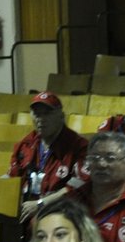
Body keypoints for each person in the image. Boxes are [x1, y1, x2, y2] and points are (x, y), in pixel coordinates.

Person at [8, 92, 89, 221]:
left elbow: (78, 188)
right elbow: (12, 179)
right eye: (37, 114)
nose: (41, 119)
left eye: (47, 113)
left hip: (62, 213)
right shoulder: (25, 145)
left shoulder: (79, 147)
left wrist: (41, 204)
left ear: (61, 116)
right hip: (26, 212)